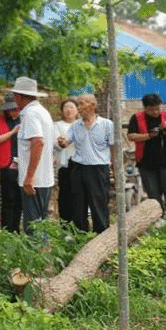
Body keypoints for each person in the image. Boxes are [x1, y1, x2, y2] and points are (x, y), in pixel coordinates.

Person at [58, 94, 114, 233]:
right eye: (78, 104)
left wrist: (115, 169)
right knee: (78, 206)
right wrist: (62, 142)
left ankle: (102, 238)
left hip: (99, 169)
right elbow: (66, 142)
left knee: (99, 205)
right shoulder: (76, 125)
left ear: (92, 106)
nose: (79, 107)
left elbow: (114, 148)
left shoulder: (107, 124)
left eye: (82, 103)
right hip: (78, 168)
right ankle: (80, 236)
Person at [127, 93, 166, 218]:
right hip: (146, 163)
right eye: (151, 110)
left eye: (158, 108)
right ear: (145, 108)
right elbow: (131, 136)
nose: (156, 112)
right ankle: (157, 219)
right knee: (153, 196)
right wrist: (149, 135)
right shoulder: (136, 118)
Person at [11, 77, 55, 238]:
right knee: (41, 225)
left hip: (35, 181)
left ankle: (39, 262)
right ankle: (46, 261)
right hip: (44, 178)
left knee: (34, 228)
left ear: (20, 96)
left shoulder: (30, 114)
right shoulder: (42, 112)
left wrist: (29, 177)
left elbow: (38, 142)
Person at [0, 93, 22, 232]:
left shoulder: (25, 119)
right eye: (12, 110)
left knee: (19, 201)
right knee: (8, 200)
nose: (15, 112)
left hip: (23, 165)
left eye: (16, 109)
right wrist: (12, 132)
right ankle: (6, 230)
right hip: (7, 164)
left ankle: (16, 229)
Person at [53, 98, 78, 224]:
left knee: (79, 196)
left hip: (81, 165)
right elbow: (56, 143)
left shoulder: (81, 124)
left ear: (77, 110)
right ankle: (65, 226)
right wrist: (62, 142)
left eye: (71, 107)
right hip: (64, 165)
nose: (69, 110)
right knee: (65, 196)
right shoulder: (57, 126)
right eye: (66, 107)